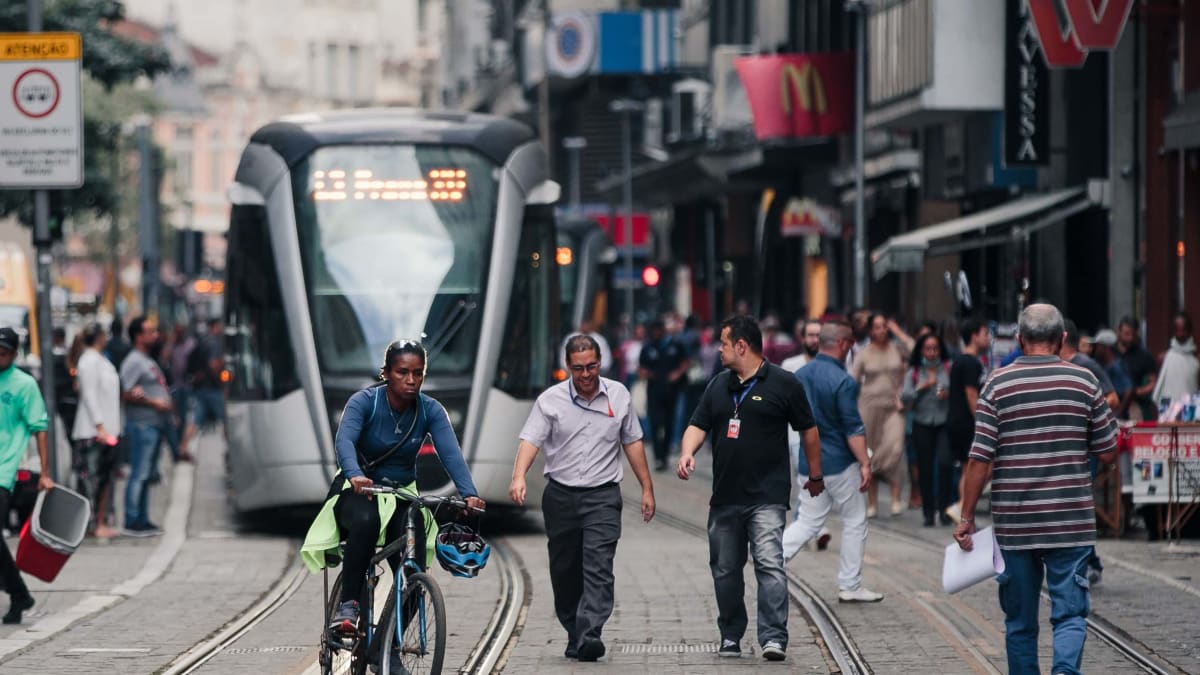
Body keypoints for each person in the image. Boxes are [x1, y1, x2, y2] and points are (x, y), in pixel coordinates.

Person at [954, 304, 1118, 675]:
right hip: (1071, 521)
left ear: (1020, 339)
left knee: (1020, 622)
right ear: (1062, 340)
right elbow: (1109, 451)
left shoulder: (997, 384)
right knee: (1071, 614)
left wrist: (966, 518)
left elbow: (979, 458)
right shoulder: (1084, 382)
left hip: (1016, 524)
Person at [676, 315, 824, 662]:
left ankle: (773, 637)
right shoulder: (717, 385)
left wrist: (815, 476)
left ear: (741, 346)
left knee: (770, 564)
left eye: (724, 344)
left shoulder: (785, 384)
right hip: (725, 497)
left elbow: (809, 431)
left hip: (767, 497)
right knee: (725, 569)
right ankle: (731, 634)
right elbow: (698, 425)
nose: (719, 349)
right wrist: (686, 453)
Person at [510, 335, 655, 662]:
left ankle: (590, 633)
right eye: (578, 369)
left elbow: (632, 442)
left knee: (599, 567)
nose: (586, 374)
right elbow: (530, 440)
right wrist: (519, 476)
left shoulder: (619, 395)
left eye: (591, 366)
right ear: (568, 367)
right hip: (560, 496)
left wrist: (646, 488)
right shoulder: (551, 400)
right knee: (565, 570)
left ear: (600, 362)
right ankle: (575, 631)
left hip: (603, 495)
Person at [326, 340, 485, 634]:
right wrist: (356, 474)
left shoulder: (430, 410)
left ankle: (390, 648)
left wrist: (469, 493)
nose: (411, 380)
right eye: (402, 372)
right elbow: (344, 441)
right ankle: (349, 605)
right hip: (360, 491)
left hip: (400, 494)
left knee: (414, 567)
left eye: (417, 373)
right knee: (367, 519)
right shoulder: (364, 402)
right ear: (386, 373)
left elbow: (450, 453)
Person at [781, 322, 883, 602]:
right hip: (839, 463)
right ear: (841, 344)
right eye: (850, 342)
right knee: (854, 520)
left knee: (808, 522)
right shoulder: (844, 381)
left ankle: (771, 561)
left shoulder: (799, 375)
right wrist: (865, 463)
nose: (852, 347)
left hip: (808, 463)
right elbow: (852, 428)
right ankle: (850, 585)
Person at [0, 326, 55, 624]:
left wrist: (45, 473)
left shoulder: (24, 385)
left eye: (4, 352)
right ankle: (18, 593)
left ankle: (18, 593)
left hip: (5, 469)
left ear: (14, 353)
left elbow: (40, 429)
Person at [120, 316, 173, 537]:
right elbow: (125, 392)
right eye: (150, 331)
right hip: (142, 425)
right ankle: (133, 520)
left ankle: (142, 518)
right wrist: (153, 402)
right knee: (139, 473)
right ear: (138, 336)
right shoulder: (133, 361)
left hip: (153, 425)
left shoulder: (146, 360)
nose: (155, 335)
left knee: (147, 473)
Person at [850, 314, 908, 517]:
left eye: (884, 326)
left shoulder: (897, 348)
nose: (881, 330)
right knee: (870, 450)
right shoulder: (864, 353)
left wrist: (898, 331)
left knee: (896, 448)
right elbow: (852, 380)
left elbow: (915, 348)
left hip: (894, 406)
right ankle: (872, 502)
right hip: (868, 406)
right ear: (870, 330)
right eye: (877, 327)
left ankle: (895, 498)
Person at [70, 323, 122, 539]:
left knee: (103, 479)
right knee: (92, 480)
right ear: (100, 337)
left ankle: (98, 522)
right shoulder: (89, 361)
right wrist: (100, 426)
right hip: (92, 432)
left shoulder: (99, 360)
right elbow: (89, 394)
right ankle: (92, 525)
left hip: (105, 430)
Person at [900, 333, 952, 527]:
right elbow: (905, 397)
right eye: (928, 349)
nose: (931, 353)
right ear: (921, 350)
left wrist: (948, 394)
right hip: (922, 422)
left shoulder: (948, 368)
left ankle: (945, 508)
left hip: (943, 422)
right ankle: (928, 512)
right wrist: (922, 387)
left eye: (935, 348)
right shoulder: (914, 371)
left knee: (945, 464)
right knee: (925, 468)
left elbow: (958, 392)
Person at [944, 318, 990, 524]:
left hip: (958, 422)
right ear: (974, 336)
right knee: (975, 467)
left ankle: (962, 508)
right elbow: (972, 397)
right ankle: (962, 507)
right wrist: (983, 423)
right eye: (985, 333)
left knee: (968, 467)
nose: (988, 338)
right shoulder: (970, 363)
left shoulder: (962, 361)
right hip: (967, 423)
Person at [639, 319, 689, 471]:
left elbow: (685, 362)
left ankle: (665, 455)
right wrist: (646, 374)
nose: (656, 334)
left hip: (671, 391)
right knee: (655, 424)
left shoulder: (675, 345)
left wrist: (677, 374)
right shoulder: (648, 347)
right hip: (654, 391)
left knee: (669, 423)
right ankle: (658, 457)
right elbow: (641, 367)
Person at [179, 319, 227, 455]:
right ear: (215, 326)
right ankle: (232, 448)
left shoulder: (200, 341)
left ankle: (183, 448)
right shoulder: (214, 342)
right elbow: (213, 364)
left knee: (194, 420)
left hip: (199, 387)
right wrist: (223, 363)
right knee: (225, 419)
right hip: (212, 387)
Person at [1153, 311, 1199, 406]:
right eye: (1177, 330)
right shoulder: (1167, 357)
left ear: (1189, 331)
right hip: (1168, 410)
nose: (1180, 334)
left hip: (1189, 410)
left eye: (1183, 330)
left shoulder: (1196, 360)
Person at [1116, 317, 1158, 420]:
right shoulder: (1110, 352)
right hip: (1111, 401)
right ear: (1118, 332)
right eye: (1126, 334)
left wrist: (1138, 391)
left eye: (1132, 335)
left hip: (1133, 404)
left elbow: (1153, 382)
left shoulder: (1144, 356)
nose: (1130, 338)